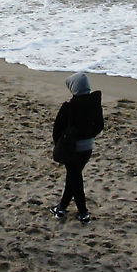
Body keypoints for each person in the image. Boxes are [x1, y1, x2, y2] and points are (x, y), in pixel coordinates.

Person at [50, 72, 104, 224]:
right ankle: (61, 207)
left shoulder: (69, 107)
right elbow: (99, 126)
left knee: (75, 179)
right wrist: (89, 136)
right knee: (73, 177)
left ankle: (83, 213)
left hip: (72, 149)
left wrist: (61, 143)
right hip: (87, 149)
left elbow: (57, 130)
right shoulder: (95, 103)